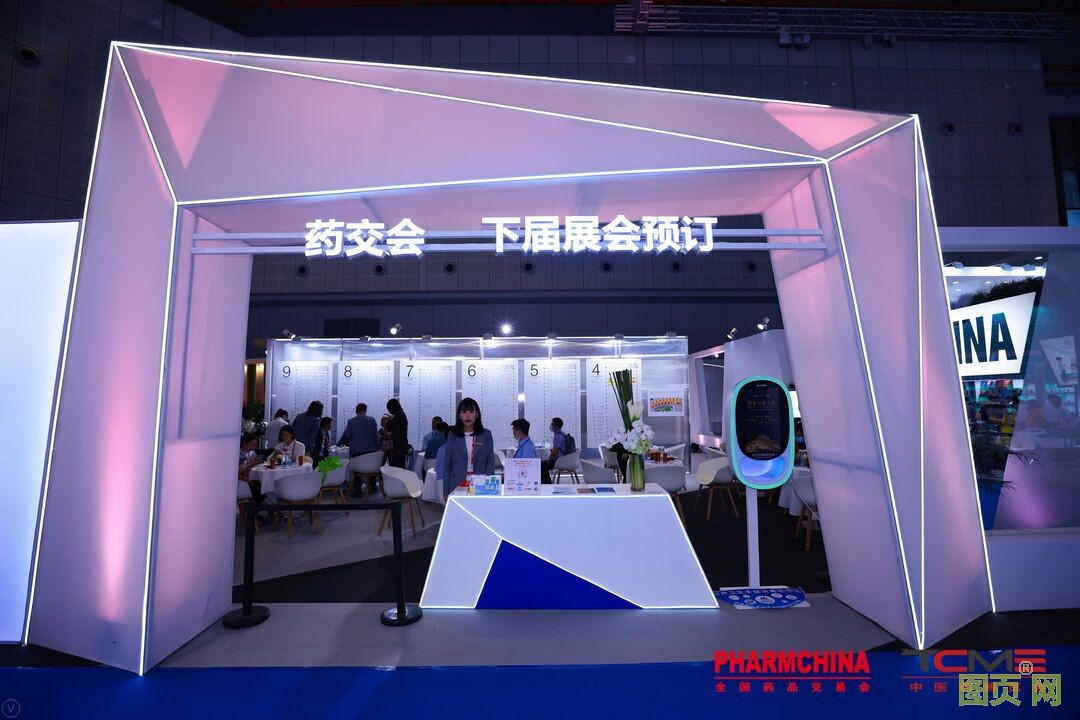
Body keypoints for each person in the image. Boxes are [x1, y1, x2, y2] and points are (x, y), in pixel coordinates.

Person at [442, 397, 495, 495]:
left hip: (480, 483)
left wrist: (488, 483)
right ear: (459, 415)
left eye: (471, 411)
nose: (467, 415)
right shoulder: (453, 435)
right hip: (457, 483)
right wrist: (445, 491)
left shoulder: (486, 435)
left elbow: (490, 462)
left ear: (477, 414)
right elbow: (447, 464)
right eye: (464, 412)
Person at [540, 416, 569, 484]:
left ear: (556, 426)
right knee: (543, 464)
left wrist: (548, 460)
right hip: (563, 458)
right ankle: (547, 483)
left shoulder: (558, 436)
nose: (551, 426)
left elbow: (554, 452)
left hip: (559, 460)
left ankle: (547, 484)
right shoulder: (562, 434)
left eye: (552, 424)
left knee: (542, 465)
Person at [385, 398, 410, 469]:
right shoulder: (399, 415)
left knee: (396, 468)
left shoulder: (399, 416)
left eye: (389, 408)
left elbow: (399, 431)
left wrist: (391, 433)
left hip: (398, 447)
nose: (388, 411)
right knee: (398, 467)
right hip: (399, 446)